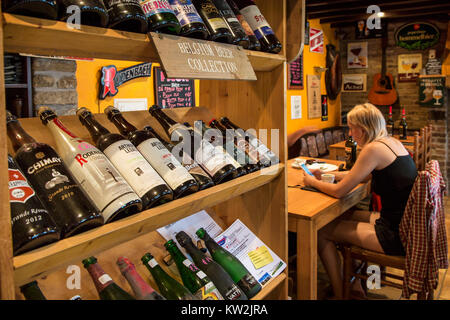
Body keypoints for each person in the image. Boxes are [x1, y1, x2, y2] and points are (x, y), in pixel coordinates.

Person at [302, 103, 417, 299]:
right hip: (408, 223)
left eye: (351, 127)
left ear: (362, 129)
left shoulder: (372, 149)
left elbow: (339, 192)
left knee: (321, 232)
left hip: (397, 234)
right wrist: (333, 175)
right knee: (344, 215)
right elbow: (363, 176)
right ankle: (354, 285)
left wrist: (311, 181)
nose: (350, 132)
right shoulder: (390, 142)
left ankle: (341, 294)